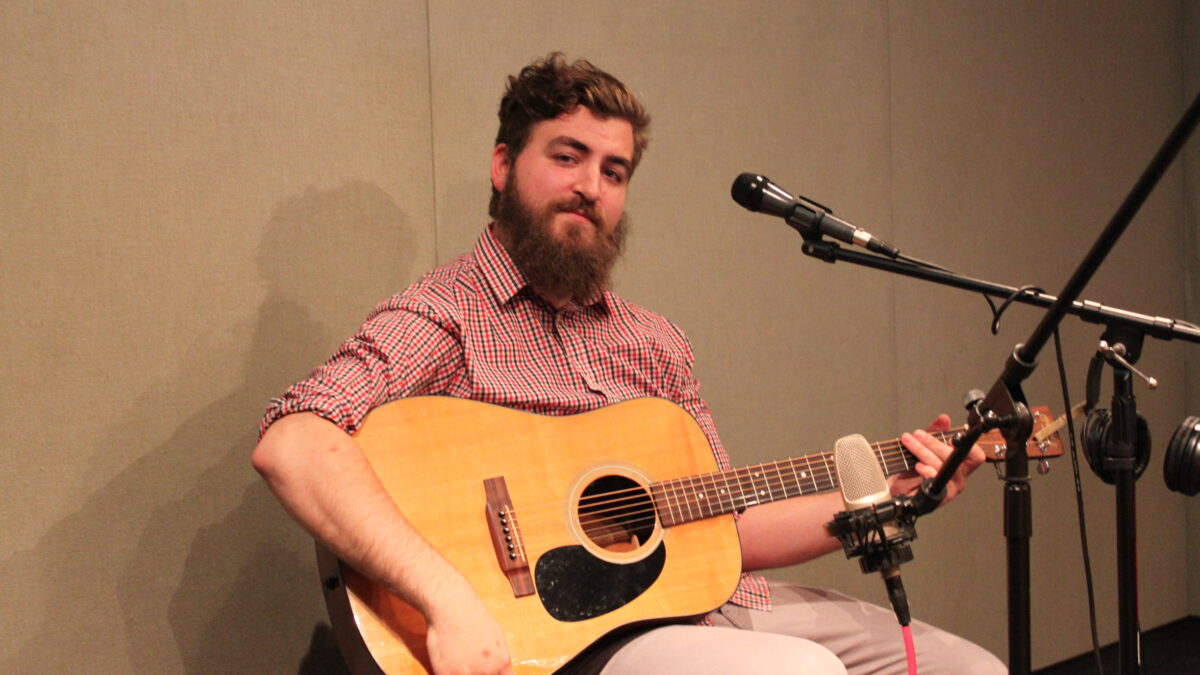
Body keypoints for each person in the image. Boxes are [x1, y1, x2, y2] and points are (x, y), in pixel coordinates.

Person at [252, 53, 1005, 674]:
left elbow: (728, 528)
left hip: (709, 605)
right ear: (503, 164)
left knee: (969, 670)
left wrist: (895, 493)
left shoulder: (654, 341)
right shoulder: (445, 314)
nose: (592, 186)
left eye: (614, 171)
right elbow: (294, 441)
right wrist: (447, 597)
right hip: (568, 640)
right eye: (568, 156)